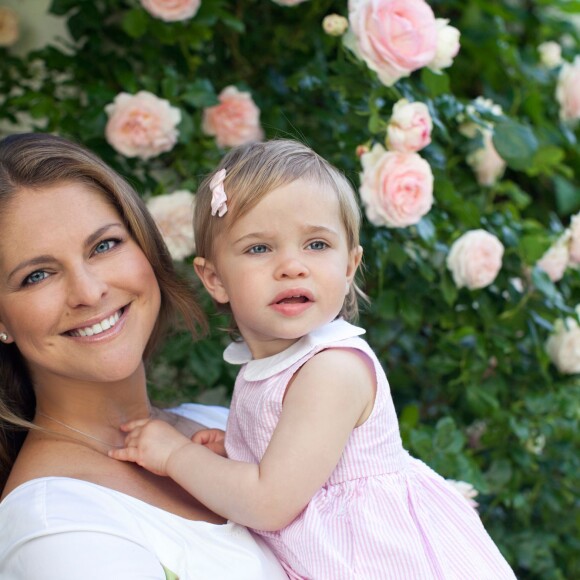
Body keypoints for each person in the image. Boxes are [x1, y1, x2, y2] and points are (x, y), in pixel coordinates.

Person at [111, 139, 517, 579]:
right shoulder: (271, 364)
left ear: (349, 266)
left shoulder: (331, 370)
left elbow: (269, 503)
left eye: (317, 245)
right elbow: (296, 465)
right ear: (214, 278)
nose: (292, 266)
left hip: (384, 561)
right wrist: (238, 452)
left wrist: (175, 456)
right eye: (259, 249)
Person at [0, 133, 288, 579]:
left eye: (104, 245)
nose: (89, 291)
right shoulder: (54, 529)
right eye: (37, 275)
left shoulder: (223, 424)